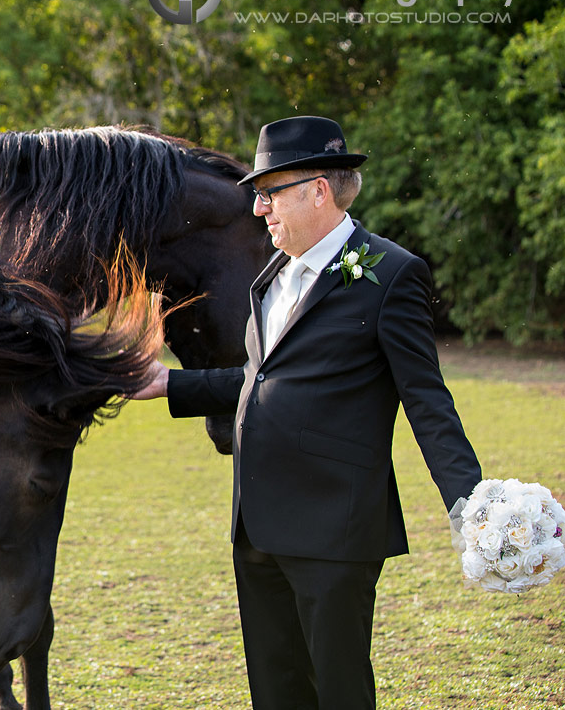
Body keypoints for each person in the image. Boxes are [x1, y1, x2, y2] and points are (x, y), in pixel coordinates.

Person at [130, 116, 483, 710]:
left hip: (332, 529)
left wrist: (471, 503)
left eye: (270, 192)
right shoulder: (270, 277)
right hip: (256, 524)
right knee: (276, 689)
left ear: (318, 190)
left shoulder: (392, 275)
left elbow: (427, 400)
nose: (259, 208)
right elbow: (262, 379)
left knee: (338, 690)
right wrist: (170, 385)